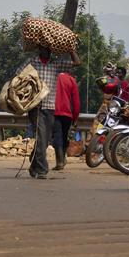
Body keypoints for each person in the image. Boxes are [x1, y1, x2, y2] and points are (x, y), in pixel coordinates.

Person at [19, 46, 81, 179]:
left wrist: (71, 49)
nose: (46, 51)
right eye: (44, 48)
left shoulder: (56, 64)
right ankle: (42, 169)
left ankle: (34, 166)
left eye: (48, 49)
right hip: (36, 106)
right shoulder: (32, 62)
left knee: (45, 139)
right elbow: (18, 75)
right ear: (39, 49)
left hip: (51, 107)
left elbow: (77, 63)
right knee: (42, 137)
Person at [52, 72, 80, 171]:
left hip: (53, 111)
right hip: (67, 114)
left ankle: (59, 161)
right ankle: (62, 159)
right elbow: (76, 101)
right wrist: (75, 117)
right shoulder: (71, 80)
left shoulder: (52, 76)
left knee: (57, 136)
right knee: (63, 136)